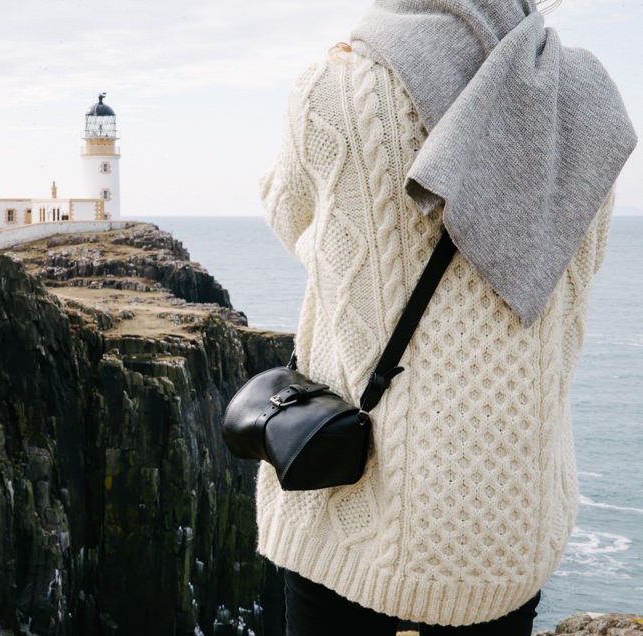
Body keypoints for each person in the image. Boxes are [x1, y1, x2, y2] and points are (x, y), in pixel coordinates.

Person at [257, 1, 637, 634]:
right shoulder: (585, 94)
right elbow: (580, 262)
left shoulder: (335, 83)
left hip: (357, 516)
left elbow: (294, 217)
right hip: (511, 528)